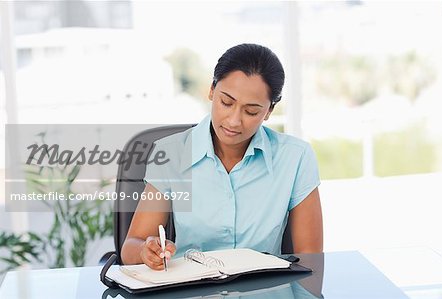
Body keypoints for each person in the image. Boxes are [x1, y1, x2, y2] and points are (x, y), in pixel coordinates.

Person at [121, 43, 323, 270]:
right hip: (192, 290)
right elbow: (131, 247)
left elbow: (311, 260)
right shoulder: (171, 154)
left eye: (251, 111)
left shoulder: (295, 158)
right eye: (226, 102)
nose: (234, 121)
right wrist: (145, 251)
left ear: (269, 111)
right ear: (211, 90)